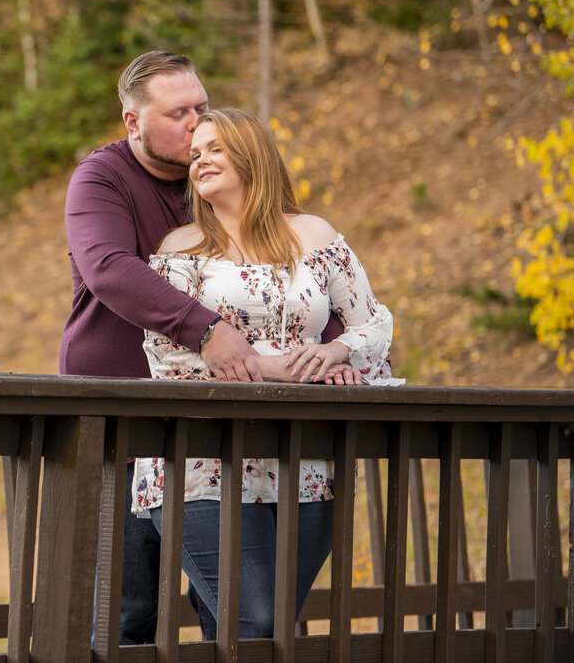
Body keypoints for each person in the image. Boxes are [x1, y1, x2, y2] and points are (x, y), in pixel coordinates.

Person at [60, 51, 347, 644]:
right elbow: (109, 269)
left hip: (230, 428)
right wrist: (207, 329)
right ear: (132, 123)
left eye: (201, 108)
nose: (196, 124)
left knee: (239, 614)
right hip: (124, 419)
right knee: (126, 611)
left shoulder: (223, 187)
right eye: (177, 114)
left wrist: (334, 352)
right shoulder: (101, 178)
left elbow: (285, 283)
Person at [132, 107, 402, 640]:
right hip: (201, 460)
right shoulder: (180, 250)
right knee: (257, 620)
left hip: (304, 461)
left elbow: (374, 322)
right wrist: (282, 368)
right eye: (194, 154)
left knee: (245, 627)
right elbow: (168, 356)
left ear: (252, 154)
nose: (199, 161)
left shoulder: (315, 235)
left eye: (214, 148)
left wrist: (338, 355)